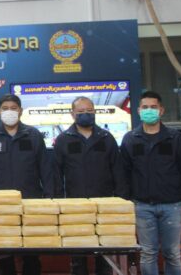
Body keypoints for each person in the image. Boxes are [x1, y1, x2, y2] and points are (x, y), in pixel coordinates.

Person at [121, 91, 181, 275]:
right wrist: (126, 202)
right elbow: (124, 173)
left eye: (153, 107)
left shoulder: (174, 137)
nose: (149, 110)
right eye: (145, 107)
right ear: (139, 111)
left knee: (172, 254)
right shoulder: (130, 139)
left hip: (172, 205)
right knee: (148, 253)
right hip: (142, 206)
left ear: (161, 110)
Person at [0, 94, 54, 275]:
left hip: (30, 201)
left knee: (32, 252)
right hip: (0, 205)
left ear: (20, 111)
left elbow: (45, 168)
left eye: (13, 108)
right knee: (4, 252)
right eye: (5, 108)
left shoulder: (33, 135)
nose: (9, 111)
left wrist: (49, 198)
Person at [53, 96, 127, 275]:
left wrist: (122, 201)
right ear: (72, 114)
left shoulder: (106, 138)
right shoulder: (63, 140)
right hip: (74, 207)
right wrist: (57, 202)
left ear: (95, 112)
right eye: (81, 111)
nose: (85, 114)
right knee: (78, 257)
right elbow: (56, 174)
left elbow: (118, 172)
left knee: (104, 256)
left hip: (104, 206)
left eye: (89, 111)